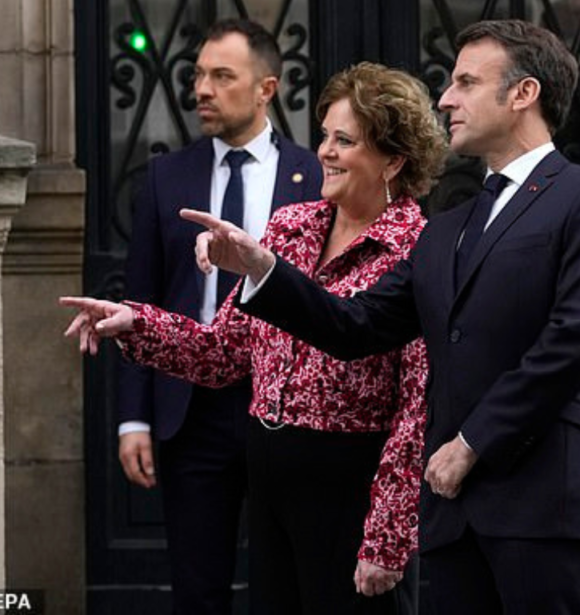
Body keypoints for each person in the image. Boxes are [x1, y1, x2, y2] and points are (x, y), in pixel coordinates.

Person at [182, 19, 580, 615]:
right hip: (453, 521)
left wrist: (472, 441)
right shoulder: (449, 226)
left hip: (543, 510)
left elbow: (578, 339)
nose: (447, 98)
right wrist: (263, 267)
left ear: (524, 94)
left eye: (467, 82)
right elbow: (354, 326)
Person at [63, 62, 448, 614]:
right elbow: (223, 352)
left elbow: (416, 412)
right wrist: (136, 323)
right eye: (324, 136)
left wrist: (387, 538)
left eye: (345, 140)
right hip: (268, 472)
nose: (325, 152)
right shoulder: (291, 227)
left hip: (349, 486)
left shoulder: (417, 250)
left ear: (394, 159)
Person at [115, 17, 321, 615]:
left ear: (266, 89)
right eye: (198, 74)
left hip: (282, 404)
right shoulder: (165, 176)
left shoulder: (313, 176)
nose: (201, 88)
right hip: (189, 409)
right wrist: (133, 419)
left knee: (283, 585)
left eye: (221, 76)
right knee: (198, 587)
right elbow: (140, 299)